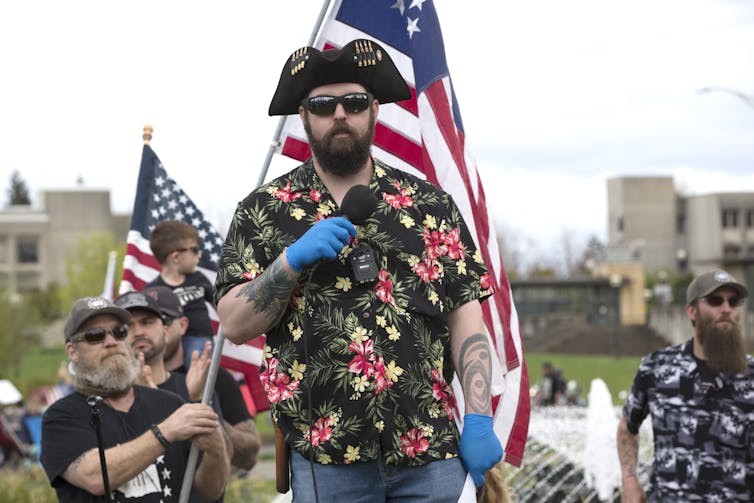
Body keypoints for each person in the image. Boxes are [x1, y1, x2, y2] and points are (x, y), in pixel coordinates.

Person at [214, 39, 502, 502]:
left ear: (374, 110)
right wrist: (287, 264)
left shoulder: (430, 205)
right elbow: (233, 322)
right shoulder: (263, 211)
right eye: (323, 105)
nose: (340, 115)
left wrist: (480, 417)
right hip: (326, 462)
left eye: (355, 102)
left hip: (430, 451)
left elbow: (466, 319)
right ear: (304, 116)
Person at [40, 296, 230, 502]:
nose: (111, 342)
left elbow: (210, 492)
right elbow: (95, 477)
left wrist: (216, 451)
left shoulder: (170, 404)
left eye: (119, 331)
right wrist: (165, 432)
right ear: (72, 351)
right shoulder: (60, 416)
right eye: (95, 335)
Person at [617, 269, 754, 502]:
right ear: (692, 311)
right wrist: (629, 480)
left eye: (733, 301)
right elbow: (627, 428)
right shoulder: (656, 368)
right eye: (715, 300)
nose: (726, 308)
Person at [143, 284, 261, 472]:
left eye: (162, 320)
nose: (150, 331)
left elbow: (250, 457)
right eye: (141, 323)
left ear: (182, 325)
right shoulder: (129, 386)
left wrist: (202, 411)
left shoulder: (214, 378)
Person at [146, 219, 216, 370]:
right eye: (195, 250)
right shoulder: (153, 291)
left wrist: (228, 324)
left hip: (198, 337)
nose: (199, 255)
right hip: (168, 343)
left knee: (196, 366)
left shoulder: (199, 279)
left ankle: (198, 393)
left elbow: (219, 304)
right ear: (176, 257)